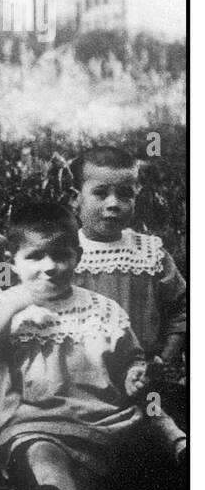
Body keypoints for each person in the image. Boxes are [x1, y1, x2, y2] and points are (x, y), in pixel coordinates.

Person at [0, 203, 185, 490]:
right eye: (35, 256)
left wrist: (133, 374)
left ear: (78, 256)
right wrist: (11, 306)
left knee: (144, 456)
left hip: (107, 418)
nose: (50, 267)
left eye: (61, 255)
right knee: (41, 453)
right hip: (39, 419)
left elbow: (130, 358)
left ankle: (161, 487)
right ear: (12, 260)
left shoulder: (101, 308)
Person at [70, 146, 186, 376]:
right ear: (76, 198)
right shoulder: (64, 254)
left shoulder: (149, 253)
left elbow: (182, 309)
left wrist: (164, 359)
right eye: (101, 193)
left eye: (125, 194)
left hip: (140, 374)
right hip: (79, 378)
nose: (113, 203)